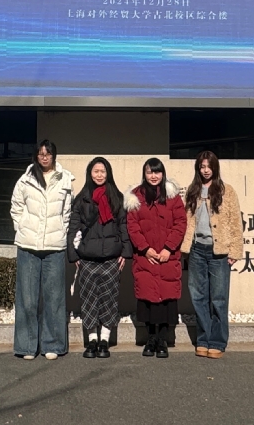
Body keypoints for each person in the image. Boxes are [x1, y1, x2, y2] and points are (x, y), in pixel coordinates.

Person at [10, 140, 74, 360]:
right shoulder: (26, 179)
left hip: (54, 246)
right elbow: (16, 207)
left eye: (48, 154)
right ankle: (27, 346)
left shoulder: (65, 179)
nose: (44, 157)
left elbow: (67, 212)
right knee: (27, 298)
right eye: (41, 154)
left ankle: (52, 345)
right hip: (28, 245)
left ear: (54, 155)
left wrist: (61, 230)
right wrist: (22, 227)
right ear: (36, 156)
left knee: (54, 298)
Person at [67, 157, 132, 359]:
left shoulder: (116, 197)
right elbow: (73, 226)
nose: (99, 175)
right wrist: (73, 253)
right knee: (88, 300)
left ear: (108, 173)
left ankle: (105, 340)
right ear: (90, 173)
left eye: (103, 171)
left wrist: (125, 252)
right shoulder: (82, 198)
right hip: (87, 258)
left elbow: (123, 226)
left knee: (109, 300)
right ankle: (92, 340)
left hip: (111, 258)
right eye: (96, 171)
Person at [182, 151, 243, 359]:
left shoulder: (227, 191)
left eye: (209, 166)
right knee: (198, 296)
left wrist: (235, 251)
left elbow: (235, 222)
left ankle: (217, 341)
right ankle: (203, 339)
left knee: (218, 298)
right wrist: (185, 247)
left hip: (219, 252)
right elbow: (187, 220)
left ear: (215, 168)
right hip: (197, 250)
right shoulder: (192, 190)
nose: (205, 170)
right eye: (202, 167)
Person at [126, 157, 186, 359]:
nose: (153, 176)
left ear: (163, 173)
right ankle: (150, 339)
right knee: (148, 300)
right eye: (149, 172)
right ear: (144, 174)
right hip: (146, 258)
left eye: (157, 171)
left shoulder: (172, 196)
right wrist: (145, 249)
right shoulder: (136, 196)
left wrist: (169, 248)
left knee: (166, 300)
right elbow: (132, 226)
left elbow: (180, 223)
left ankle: (163, 340)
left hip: (167, 257)